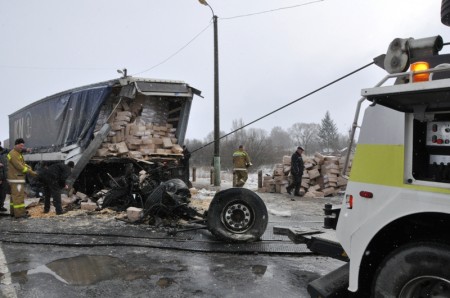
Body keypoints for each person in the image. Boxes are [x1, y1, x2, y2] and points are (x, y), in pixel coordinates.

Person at [7, 138, 37, 218]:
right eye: (21, 146)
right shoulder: (13, 154)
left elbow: (22, 164)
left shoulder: (16, 153)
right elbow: (19, 166)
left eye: (23, 146)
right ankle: (20, 214)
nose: (22, 147)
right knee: (18, 196)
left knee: (14, 197)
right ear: (16, 145)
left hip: (16, 178)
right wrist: (32, 172)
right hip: (16, 178)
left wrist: (28, 166)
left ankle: (14, 212)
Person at [0, 141, 9, 212]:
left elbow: (13, 150)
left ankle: (1, 206)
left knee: (3, 193)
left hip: (5, 177)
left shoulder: (4, 152)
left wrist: (25, 150)